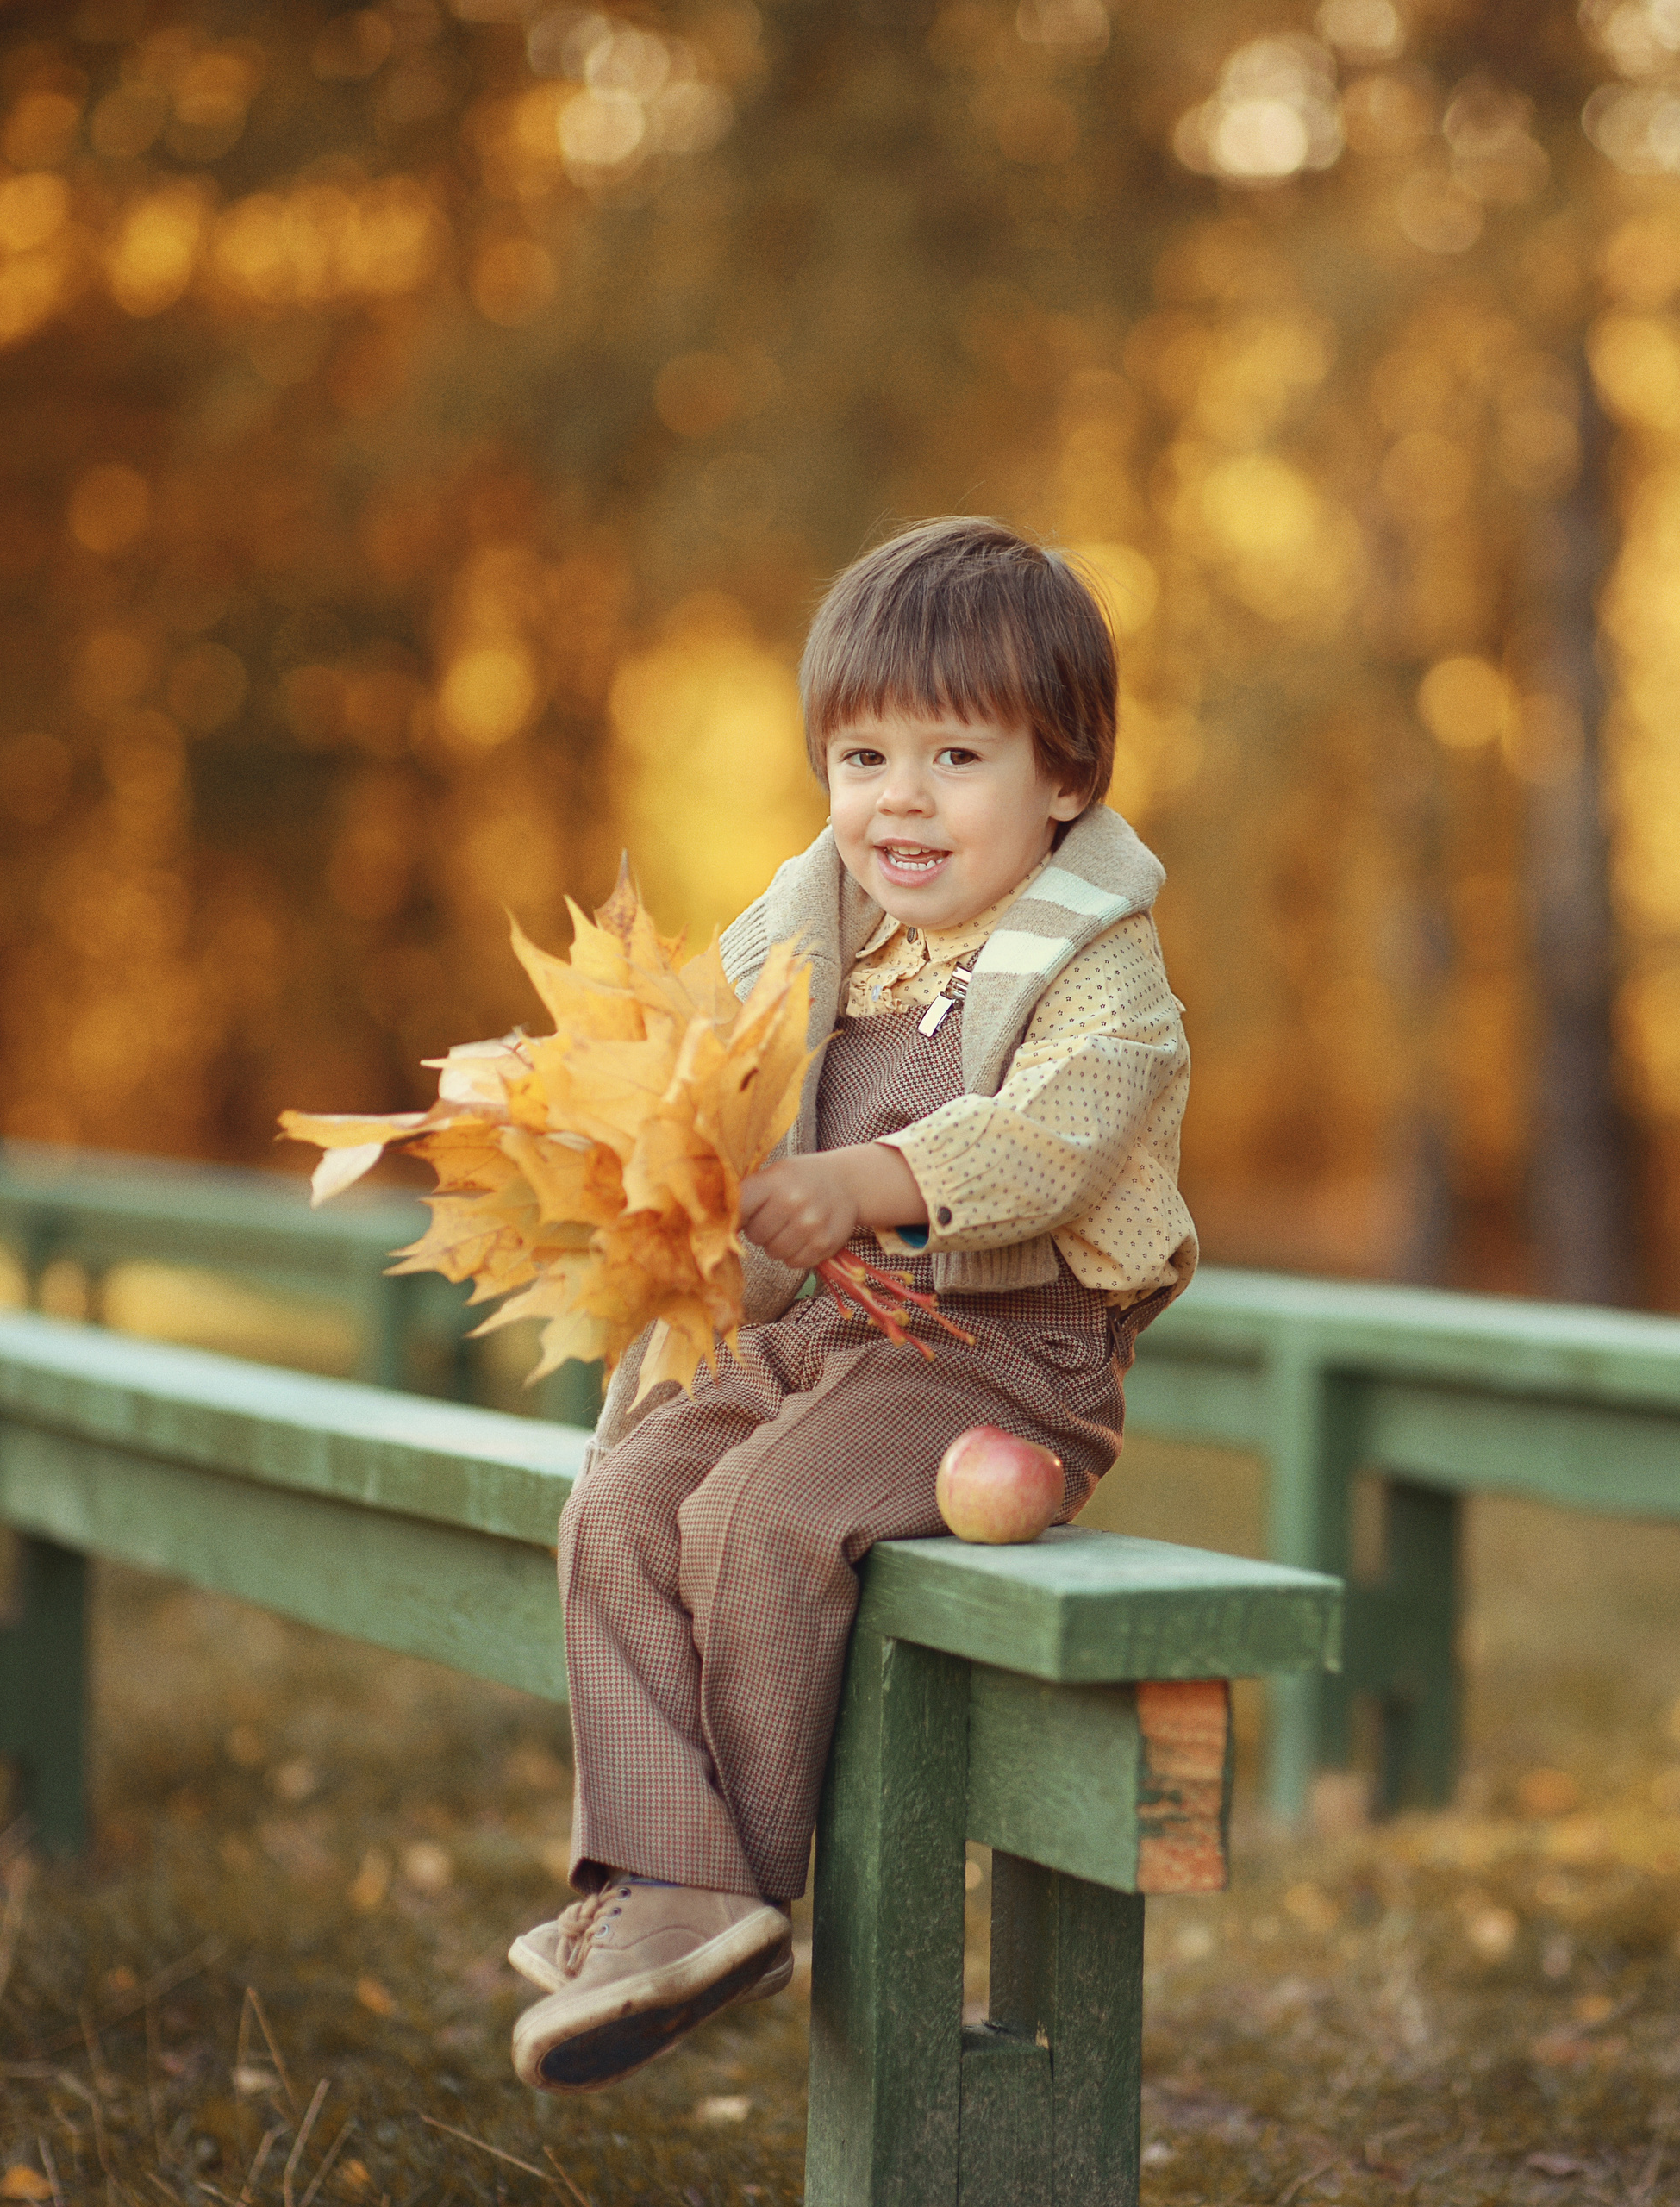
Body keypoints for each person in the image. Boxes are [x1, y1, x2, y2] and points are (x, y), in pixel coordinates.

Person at [505, 516, 1197, 2095]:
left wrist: (873, 1178)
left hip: (1001, 1359)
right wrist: (638, 1138)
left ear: (1065, 778)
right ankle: (653, 1875)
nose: (900, 797)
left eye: (957, 755)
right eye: (863, 753)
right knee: (618, 1503)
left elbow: (1058, 1132)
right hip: (820, 1330)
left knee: (759, 1516)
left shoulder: (1102, 965)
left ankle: (724, 1896)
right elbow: (711, 1066)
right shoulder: (812, 924)